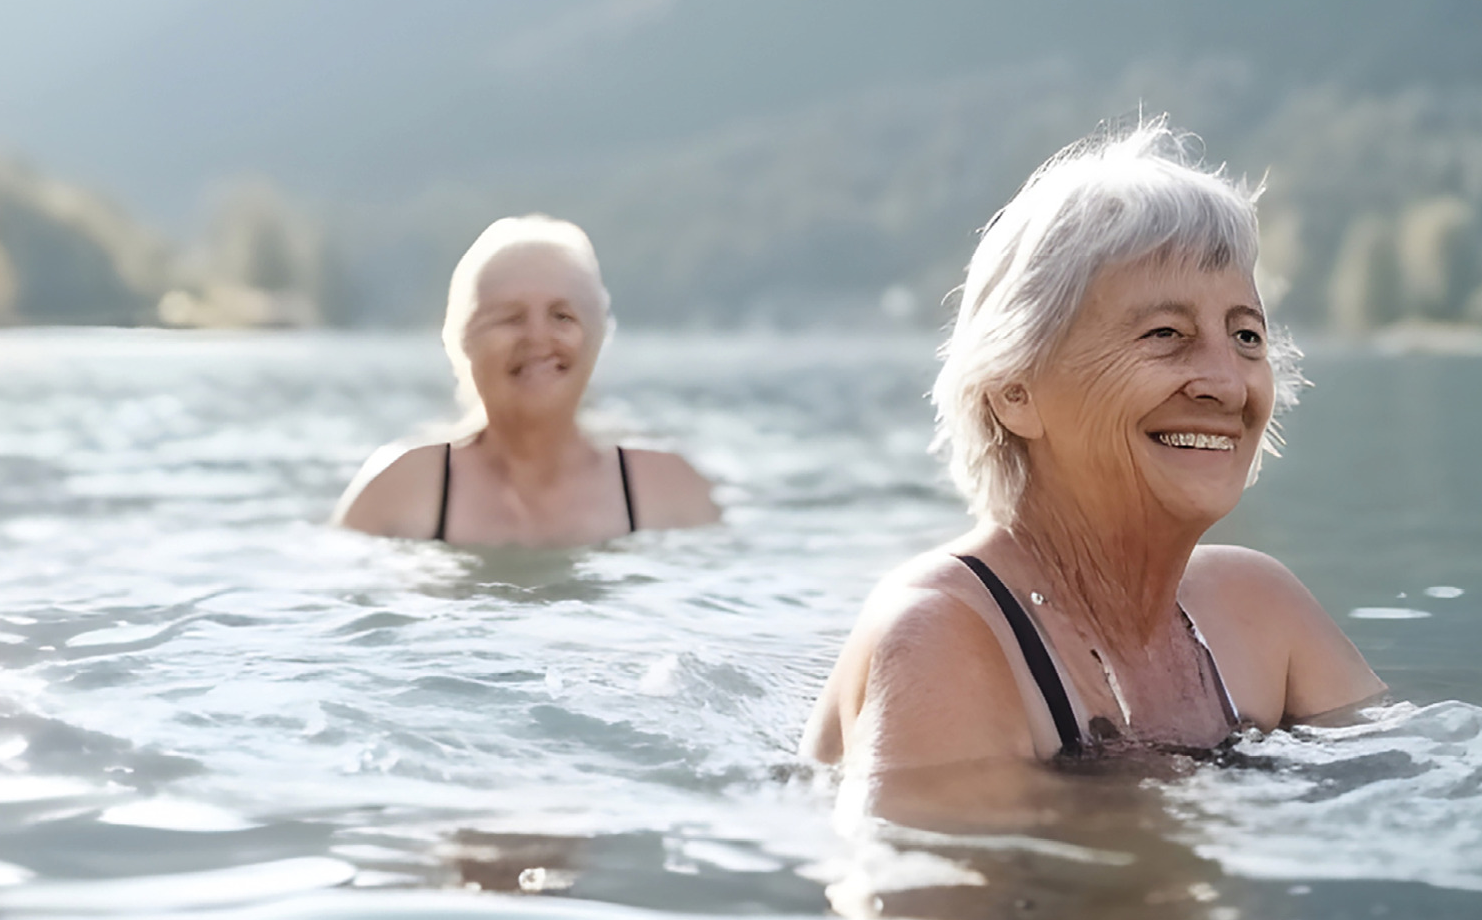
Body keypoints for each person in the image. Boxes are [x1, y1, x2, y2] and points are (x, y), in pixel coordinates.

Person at [803, 121, 1385, 816]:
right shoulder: (941, 639)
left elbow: (1418, 807)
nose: (1227, 385)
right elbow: (932, 919)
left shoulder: (1258, 607)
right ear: (1014, 391)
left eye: (1246, 335)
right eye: (1165, 334)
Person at [333, 216, 718, 545]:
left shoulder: (674, 494)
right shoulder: (398, 492)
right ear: (461, 342)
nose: (538, 339)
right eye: (510, 317)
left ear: (597, 337)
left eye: (562, 316)